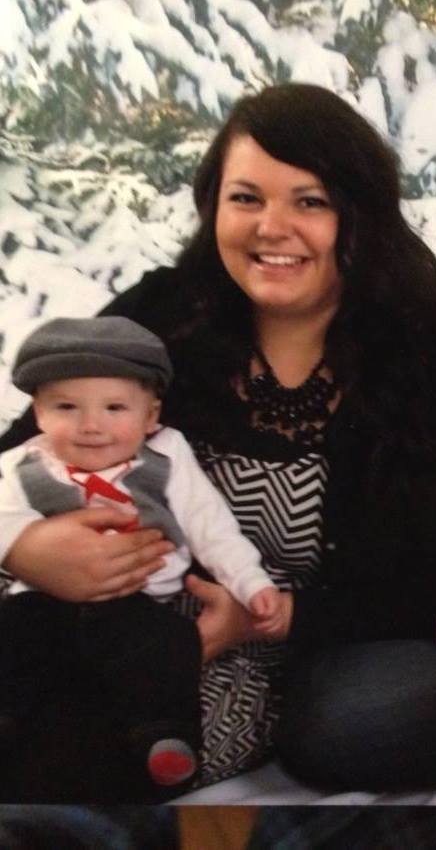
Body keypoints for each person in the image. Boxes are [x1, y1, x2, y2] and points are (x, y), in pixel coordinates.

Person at [0, 83, 436, 801]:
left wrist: (273, 617)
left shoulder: (419, 363)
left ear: (358, 216)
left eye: (310, 201)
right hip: (93, 620)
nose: (272, 227)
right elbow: (26, 445)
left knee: (117, 755)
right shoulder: (161, 316)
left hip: (291, 652)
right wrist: (25, 548)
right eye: (246, 199)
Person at [0, 316, 287, 791]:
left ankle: (165, 737)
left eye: (115, 407)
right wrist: (25, 544)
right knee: (15, 634)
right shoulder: (21, 464)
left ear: (151, 416)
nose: (91, 426)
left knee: (166, 645)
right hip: (44, 601)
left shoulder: (166, 456)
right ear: (39, 413)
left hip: (140, 604)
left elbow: (211, 527)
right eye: (66, 407)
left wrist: (250, 583)